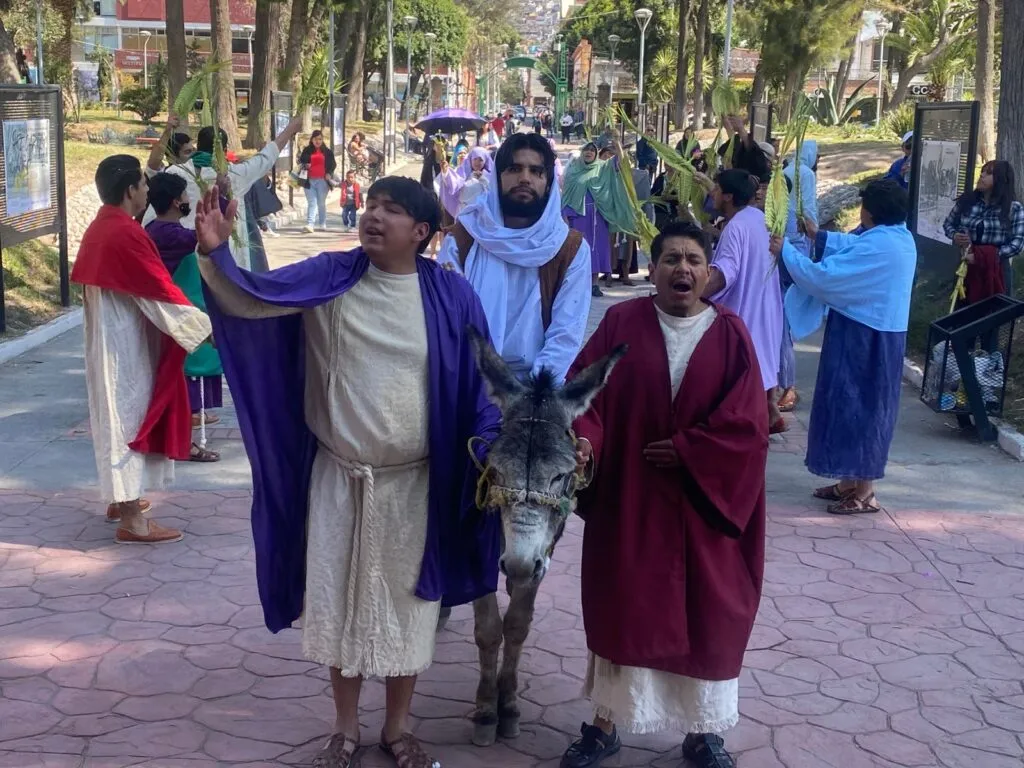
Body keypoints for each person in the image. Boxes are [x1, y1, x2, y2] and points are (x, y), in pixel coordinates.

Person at [194, 177, 502, 768]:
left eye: (393, 210)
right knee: (338, 605)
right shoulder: (331, 278)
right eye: (371, 206)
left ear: (423, 234)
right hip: (339, 478)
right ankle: (343, 729)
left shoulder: (452, 296)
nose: (375, 217)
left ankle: (398, 728)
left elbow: (479, 381)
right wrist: (215, 252)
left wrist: (489, 445)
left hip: (416, 483)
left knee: (408, 610)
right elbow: (251, 299)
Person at [562, 220, 768, 768]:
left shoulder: (730, 334)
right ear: (651, 270)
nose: (683, 269)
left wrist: (691, 450)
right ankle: (603, 727)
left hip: (704, 510)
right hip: (631, 501)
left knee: (709, 618)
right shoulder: (620, 323)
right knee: (622, 610)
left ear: (709, 273)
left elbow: (748, 425)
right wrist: (584, 441)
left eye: (694, 260)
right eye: (671, 259)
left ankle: (703, 733)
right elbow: (586, 393)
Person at [73, 155, 212, 544]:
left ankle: (121, 498)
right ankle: (132, 519)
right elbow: (159, 294)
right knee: (128, 418)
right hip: (124, 344)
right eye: (144, 185)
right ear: (131, 190)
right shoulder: (123, 233)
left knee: (118, 415)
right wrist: (203, 329)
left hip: (114, 338)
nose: (149, 191)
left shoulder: (104, 227)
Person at [769, 179, 916, 514]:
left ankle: (865, 491)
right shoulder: (894, 236)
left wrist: (786, 252)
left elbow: (826, 277)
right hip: (860, 331)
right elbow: (848, 246)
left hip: (870, 338)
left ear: (870, 211)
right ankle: (849, 482)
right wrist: (816, 236)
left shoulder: (883, 245)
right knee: (843, 405)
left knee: (863, 411)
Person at [438, 132, 592, 384]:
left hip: (536, 393)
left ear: (549, 183)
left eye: (536, 171)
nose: (524, 178)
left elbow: (565, 334)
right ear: (498, 176)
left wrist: (530, 397)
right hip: (467, 382)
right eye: (514, 168)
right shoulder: (465, 237)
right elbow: (447, 318)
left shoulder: (569, 248)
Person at [142, 116, 304, 270]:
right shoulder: (234, 175)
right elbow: (266, 157)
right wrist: (290, 129)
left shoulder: (175, 172)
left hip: (179, 261)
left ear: (198, 146)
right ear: (224, 150)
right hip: (217, 258)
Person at [144, 172, 223, 462]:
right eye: (186, 195)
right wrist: (221, 203)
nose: (188, 200)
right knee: (184, 386)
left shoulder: (153, 229)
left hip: (165, 317)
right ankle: (185, 444)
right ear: (177, 201)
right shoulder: (174, 236)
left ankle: (175, 441)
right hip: (178, 319)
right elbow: (207, 241)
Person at [704, 169, 784, 433]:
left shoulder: (736, 226)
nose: (712, 193)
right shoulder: (759, 219)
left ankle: (748, 429)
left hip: (744, 310)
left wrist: (692, 293)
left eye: (716, 188)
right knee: (761, 362)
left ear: (727, 196)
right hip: (765, 305)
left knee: (742, 373)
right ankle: (768, 412)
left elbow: (725, 272)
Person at [561, 141, 637, 297]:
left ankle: (594, 285)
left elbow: (620, 161)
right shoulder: (573, 171)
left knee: (596, 249)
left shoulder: (602, 168)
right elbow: (567, 195)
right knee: (578, 249)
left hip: (598, 216)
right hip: (578, 216)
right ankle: (577, 285)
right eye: (586, 150)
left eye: (592, 150)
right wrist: (565, 217)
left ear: (596, 154)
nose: (589, 152)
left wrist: (617, 142)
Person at [778, 139, 819, 413]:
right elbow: (810, 210)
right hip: (797, 244)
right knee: (785, 321)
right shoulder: (807, 174)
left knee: (781, 319)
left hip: (785, 245)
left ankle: (783, 387)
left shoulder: (785, 173)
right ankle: (787, 387)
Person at [943, 160, 1024, 298]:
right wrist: (955, 235)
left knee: (995, 314)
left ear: (1001, 179)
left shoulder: (1013, 208)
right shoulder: (967, 201)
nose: (982, 176)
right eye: (982, 172)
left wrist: (987, 256)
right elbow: (948, 224)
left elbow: (1017, 244)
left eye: (989, 173)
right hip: (967, 265)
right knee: (965, 313)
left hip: (997, 269)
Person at [299, 130, 338, 233]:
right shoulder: (307, 150)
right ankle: (310, 224)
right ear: (312, 140)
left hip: (322, 181)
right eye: (316, 139)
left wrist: (329, 173)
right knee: (312, 202)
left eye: (320, 139)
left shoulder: (327, 151)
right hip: (309, 180)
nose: (318, 141)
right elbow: (302, 160)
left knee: (321, 203)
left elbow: (333, 164)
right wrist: (306, 164)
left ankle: (322, 223)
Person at [438, 145, 493, 216]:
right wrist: (446, 172)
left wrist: (482, 178)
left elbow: (492, 192)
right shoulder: (464, 172)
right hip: (464, 212)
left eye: (480, 160)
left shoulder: (489, 176)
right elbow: (455, 182)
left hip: (481, 213)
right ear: (470, 159)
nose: (477, 162)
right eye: (475, 159)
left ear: (485, 161)